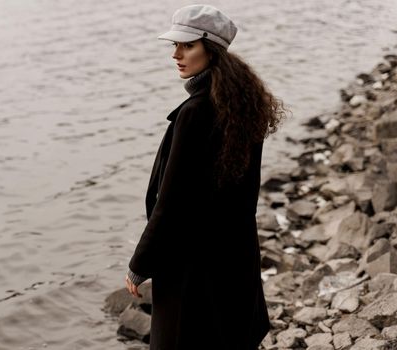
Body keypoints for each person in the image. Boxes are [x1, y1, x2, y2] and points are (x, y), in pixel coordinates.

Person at [125, 5, 286, 350]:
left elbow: (171, 201)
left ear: (210, 49)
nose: (175, 55)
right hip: (233, 254)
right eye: (175, 46)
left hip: (192, 263)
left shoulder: (196, 112)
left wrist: (140, 264)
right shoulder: (243, 104)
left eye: (186, 46)